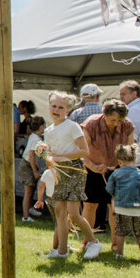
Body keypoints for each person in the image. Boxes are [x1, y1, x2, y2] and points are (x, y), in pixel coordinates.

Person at [39, 92, 101, 260]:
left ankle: (94, 242)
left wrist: (61, 156)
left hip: (74, 170)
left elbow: (84, 151)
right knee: (60, 212)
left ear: (68, 110)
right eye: (54, 106)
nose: (56, 110)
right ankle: (61, 251)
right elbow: (52, 153)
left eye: (61, 107)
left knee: (73, 214)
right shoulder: (48, 130)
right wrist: (46, 154)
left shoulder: (72, 126)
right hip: (60, 171)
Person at [81, 100, 134, 239]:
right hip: (92, 168)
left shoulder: (127, 125)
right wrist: (94, 166)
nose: (116, 123)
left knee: (114, 207)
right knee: (90, 204)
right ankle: (87, 241)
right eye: (113, 120)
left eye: (120, 120)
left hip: (116, 169)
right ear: (104, 114)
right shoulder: (91, 124)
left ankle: (116, 244)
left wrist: (126, 166)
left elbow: (130, 149)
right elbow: (81, 151)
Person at [106, 143, 140, 261]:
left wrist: (115, 194)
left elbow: (109, 188)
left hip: (121, 207)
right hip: (137, 208)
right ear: (135, 158)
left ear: (119, 161)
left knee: (120, 232)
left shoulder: (116, 173)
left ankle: (120, 254)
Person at [19, 116, 46, 221]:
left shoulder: (35, 137)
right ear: (41, 126)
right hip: (27, 165)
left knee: (31, 188)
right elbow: (31, 156)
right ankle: (25, 216)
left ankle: (30, 209)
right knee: (28, 191)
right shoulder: (35, 139)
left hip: (29, 165)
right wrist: (35, 171)